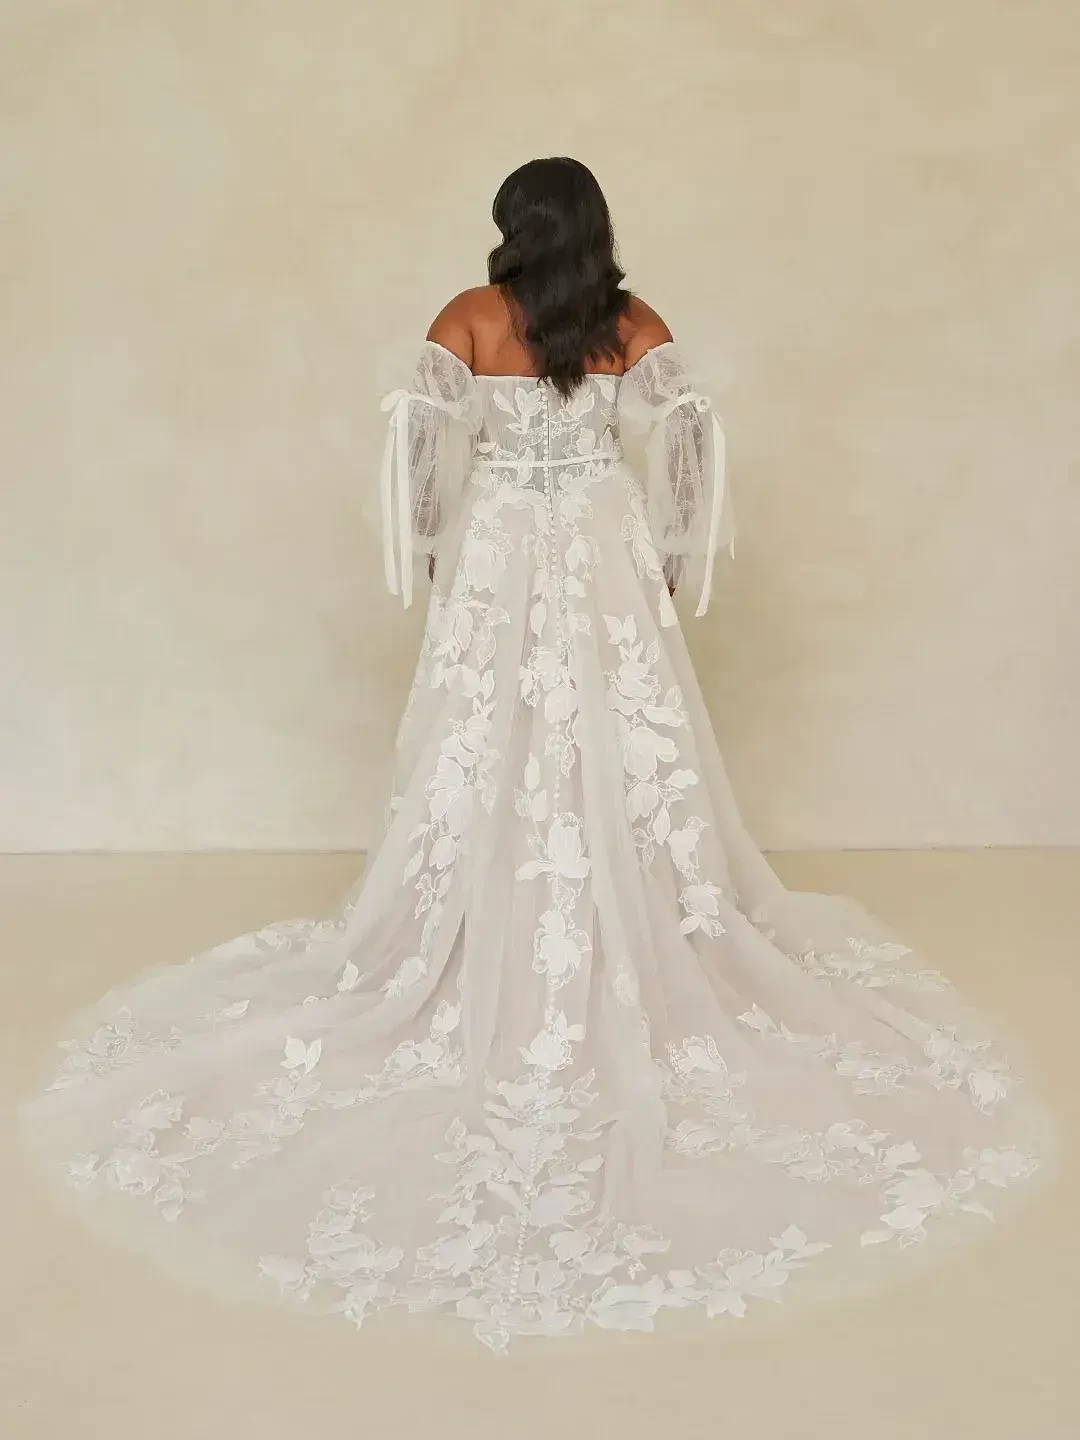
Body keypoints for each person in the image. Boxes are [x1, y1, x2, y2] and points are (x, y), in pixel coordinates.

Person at [23, 157, 1052, 1354]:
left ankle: (493, 922)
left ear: (515, 225)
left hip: (505, 547)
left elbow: (419, 454)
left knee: (494, 730)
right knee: (611, 726)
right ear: (597, 227)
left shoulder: (468, 315)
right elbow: (690, 436)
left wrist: (427, 548)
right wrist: (673, 553)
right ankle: (616, 920)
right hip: (603, 547)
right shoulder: (631, 322)